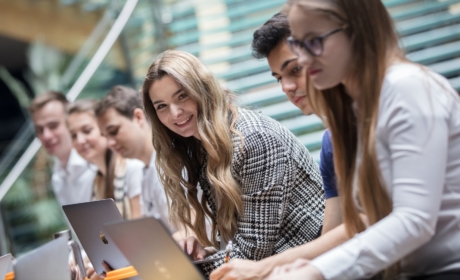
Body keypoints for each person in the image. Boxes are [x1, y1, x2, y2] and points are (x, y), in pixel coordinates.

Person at [268, 0, 460, 279]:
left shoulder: (406, 87)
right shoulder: (359, 109)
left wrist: (316, 270)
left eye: (314, 42)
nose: (306, 59)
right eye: (299, 45)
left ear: (355, 30)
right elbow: (370, 219)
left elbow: (414, 220)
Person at [141, 50, 325, 277]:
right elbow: (238, 245)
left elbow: (253, 252)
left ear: (203, 89)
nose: (175, 113)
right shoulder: (204, 146)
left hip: (311, 268)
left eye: (182, 96)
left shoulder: (253, 138)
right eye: (162, 106)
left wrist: (164, 271)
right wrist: (204, 255)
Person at [209, 13, 342, 280]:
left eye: (294, 69)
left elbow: (369, 225)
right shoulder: (331, 144)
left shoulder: (256, 137)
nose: (287, 87)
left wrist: (267, 268)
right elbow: (336, 234)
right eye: (278, 78)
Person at [95, 85, 172, 230]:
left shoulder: (171, 164)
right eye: (105, 136)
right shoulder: (146, 170)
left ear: (138, 117)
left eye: (114, 131)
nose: (110, 143)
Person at [66, 99, 142, 219]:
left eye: (87, 130)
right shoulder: (96, 182)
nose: (80, 140)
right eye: (73, 136)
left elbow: (142, 225)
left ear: (104, 129)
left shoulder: (132, 167)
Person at [29, 91, 96, 206]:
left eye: (53, 126)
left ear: (70, 123)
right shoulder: (57, 177)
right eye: (40, 130)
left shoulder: (95, 163)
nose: (46, 136)